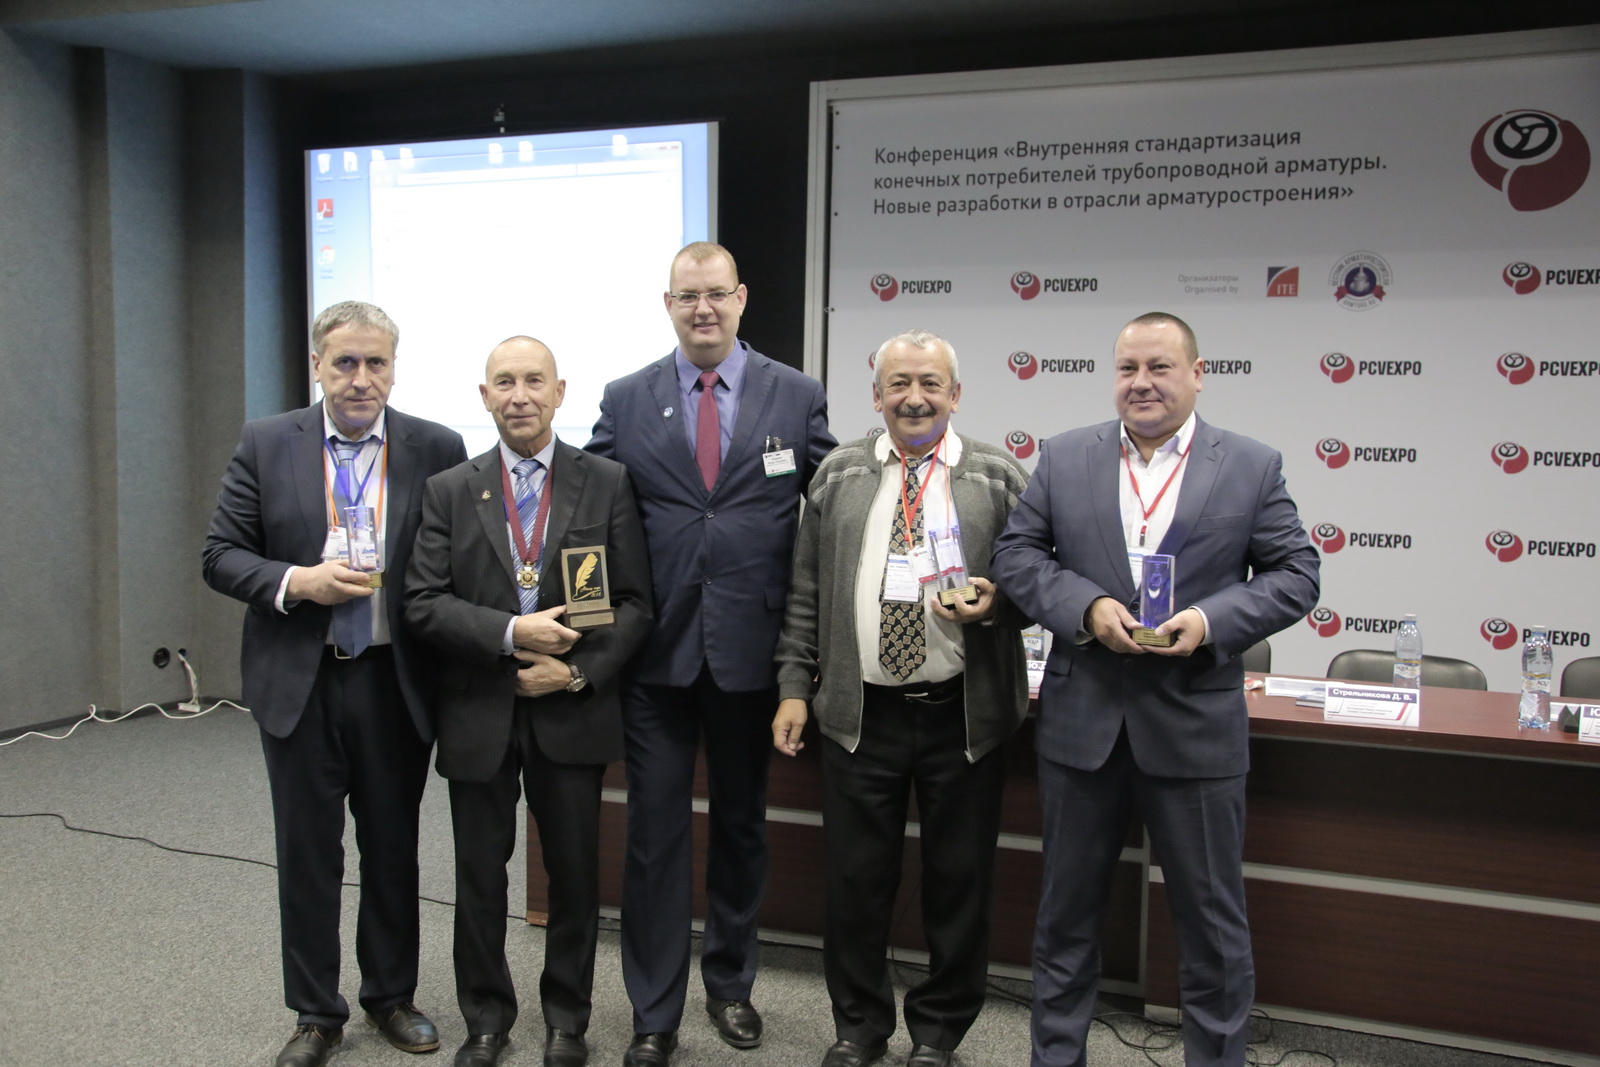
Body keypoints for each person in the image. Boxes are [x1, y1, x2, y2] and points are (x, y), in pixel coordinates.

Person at [990, 312, 1321, 1067]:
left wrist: (1209, 620)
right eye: (1127, 368)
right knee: (1066, 919)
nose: (1141, 382)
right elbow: (1017, 555)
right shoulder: (1064, 456)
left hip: (1194, 728)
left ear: (1198, 374)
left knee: (1211, 927)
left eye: (1160, 367)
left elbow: (1296, 574)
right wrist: (1085, 608)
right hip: (1083, 726)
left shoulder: (1250, 465)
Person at [586, 241, 836, 1066]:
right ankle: (654, 1010)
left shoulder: (795, 393)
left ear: (741, 298)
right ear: (668, 304)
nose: (703, 308)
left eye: (716, 294)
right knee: (654, 837)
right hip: (653, 655)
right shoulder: (626, 398)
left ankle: (730, 985)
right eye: (688, 295)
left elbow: (837, 502)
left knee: (740, 827)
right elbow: (589, 514)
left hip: (751, 654)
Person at [202, 301, 467, 1067]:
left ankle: (391, 994)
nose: (360, 378)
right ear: (317, 364)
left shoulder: (435, 446)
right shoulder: (267, 442)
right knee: (308, 853)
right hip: (302, 678)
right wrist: (299, 581)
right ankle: (316, 1012)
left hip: (394, 679)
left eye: (375, 362)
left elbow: (455, 561)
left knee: (393, 847)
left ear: (393, 368)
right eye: (345, 362)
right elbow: (221, 554)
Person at [772, 330, 1030, 1067]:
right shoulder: (839, 474)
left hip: (963, 718)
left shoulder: (998, 477)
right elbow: (805, 591)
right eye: (899, 384)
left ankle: (939, 1032)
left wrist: (999, 603)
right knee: (855, 883)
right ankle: (858, 1027)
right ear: (876, 394)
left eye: (929, 383)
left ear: (956, 394)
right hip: (860, 716)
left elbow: (1040, 584)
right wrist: (793, 686)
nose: (914, 398)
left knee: (959, 883)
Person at [404, 337, 653, 1067]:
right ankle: (486, 1020)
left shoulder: (606, 481)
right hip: (479, 708)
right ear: (484, 396)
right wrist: (512, 633)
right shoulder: (450, 488)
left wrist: (572, 674)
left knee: (574, 876)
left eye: (533, 381)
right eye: (505, 382)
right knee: (480, 876)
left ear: (559, 391)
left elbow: (634, 604)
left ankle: (567, 1021)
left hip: (570, 710)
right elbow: (421, 601)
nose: (520, 395)